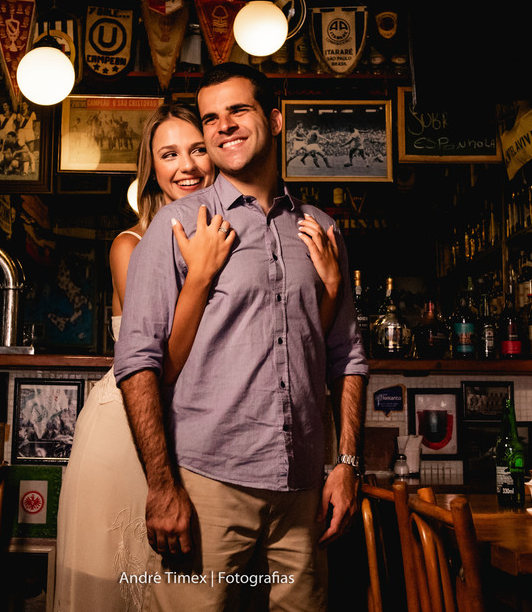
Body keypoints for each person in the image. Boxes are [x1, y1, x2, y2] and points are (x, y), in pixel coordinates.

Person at [114, 63, 367, 611]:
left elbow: (346, 356)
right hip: (208, 484)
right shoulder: (177, 226)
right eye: (211, 118)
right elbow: (138, 363)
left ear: (275, 120)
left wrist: (348, 464)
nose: (223, 125)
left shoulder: (322, 230)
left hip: (303, 488)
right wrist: (162, 485)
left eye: (238, 110)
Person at [54, 103, 230, 612]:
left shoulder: (228, 237)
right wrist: (199, 278)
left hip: (195, 434)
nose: (187, 166)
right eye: (169, 154)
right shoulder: (130, 245)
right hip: (128, 431)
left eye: (197, 150)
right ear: (151, 170)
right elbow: (162, 366)